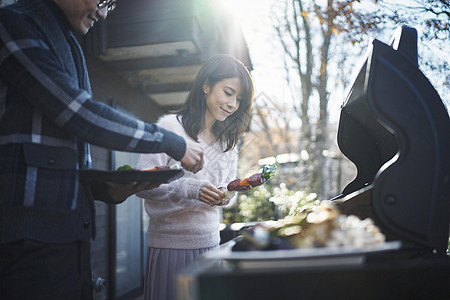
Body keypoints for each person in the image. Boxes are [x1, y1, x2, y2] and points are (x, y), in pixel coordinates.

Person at [0, 0, 204, 299]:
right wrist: (173, 142)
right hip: (26, 238)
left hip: (70, 235)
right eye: (102, 0)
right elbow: (79, 114)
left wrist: (107, 191)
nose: (104, 12)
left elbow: (65, 149)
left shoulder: (69, 42)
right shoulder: (12, 23)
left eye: (111, 4)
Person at [136, 54, 254, 300]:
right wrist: (190, 188)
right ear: (206, 85)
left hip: (211, 244)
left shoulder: (228, 143)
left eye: (239, 99)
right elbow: (141, 184)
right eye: (228, 92)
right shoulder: (170, 127)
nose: (233, 104)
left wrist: (226, 196)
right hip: (170, 246)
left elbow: (227, 193)